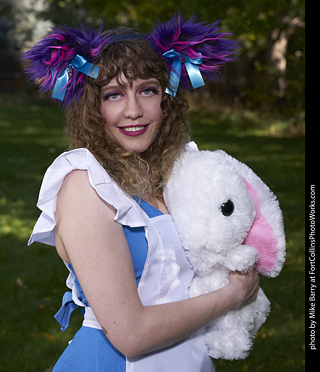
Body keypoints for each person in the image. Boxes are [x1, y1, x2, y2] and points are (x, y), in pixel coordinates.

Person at [23, 13, 260, 371]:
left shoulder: (174, 175)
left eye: (147, 90)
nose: (133, 111)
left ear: (166, 99)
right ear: (93, 107)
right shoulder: (85, 185)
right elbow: (130, 334)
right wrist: (231, 295)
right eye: (114, 95)